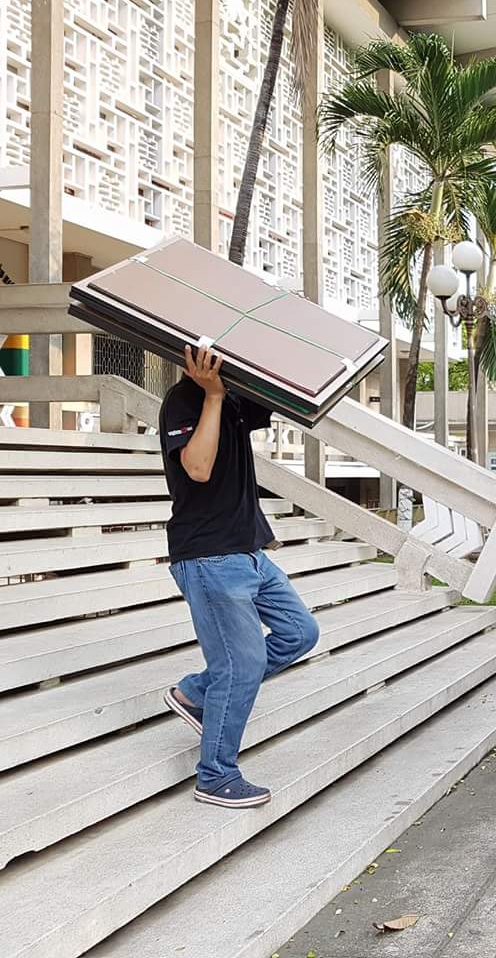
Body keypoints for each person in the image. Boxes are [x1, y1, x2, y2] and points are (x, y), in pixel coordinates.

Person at [159, 345, 320, 808]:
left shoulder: (234, 399)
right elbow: (198, 468)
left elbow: (292, 394)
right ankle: (215, 775)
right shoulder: (184, 400)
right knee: (241, 666)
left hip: (248, 553)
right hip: (209, 556)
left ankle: (197, 693)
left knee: (300, 633)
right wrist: (211, 394)